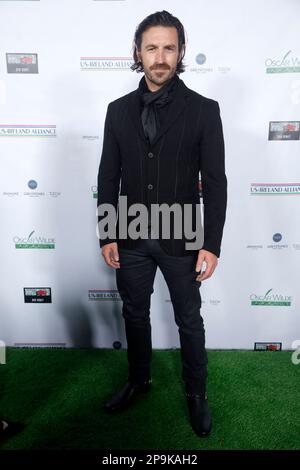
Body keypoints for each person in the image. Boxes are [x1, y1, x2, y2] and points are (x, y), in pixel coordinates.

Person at [97, 10, 227, 437]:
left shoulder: (205, 111)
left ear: (181, 51)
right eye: (151, 47)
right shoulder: (117, 111)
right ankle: (139, 379)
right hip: (130, 232)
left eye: (168, 47)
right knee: (134, 314)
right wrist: (107, 233)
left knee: (189, 320)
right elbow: (107, 176)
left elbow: (216, 181)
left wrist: (212, 243)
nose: (160, 56)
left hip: (184, 233)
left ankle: (196, 393)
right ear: (138, 52)